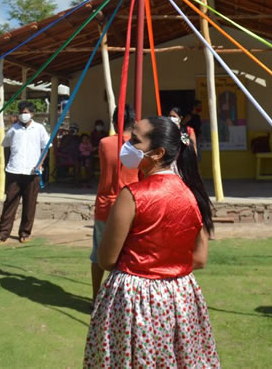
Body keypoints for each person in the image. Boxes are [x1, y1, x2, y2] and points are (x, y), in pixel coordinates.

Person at [84, 115, 219, 367]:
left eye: (134, 141)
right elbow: (199, 259)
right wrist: (168, 266)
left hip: (135, 298)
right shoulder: (194, 194)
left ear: (157, 153)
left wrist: (145, 265)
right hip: (181, 296)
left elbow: (106, 259)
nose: (127, 145)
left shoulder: (132, 195)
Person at [89, 105, 139, 301]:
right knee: (128, 254)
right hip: (131, 206)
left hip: (105, 205)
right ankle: (121, 299)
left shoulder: (104, 143)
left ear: (113, 122)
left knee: (99, 255)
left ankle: (95, 298)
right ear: (134, 122)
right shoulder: (139, 146)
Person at [0, 102, 50, 245]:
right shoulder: (14, 129)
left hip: (32, 172)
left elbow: (46, 147)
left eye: (26, 112)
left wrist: (40, 162)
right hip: (14, 171)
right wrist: (7, 165)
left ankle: (25, 233)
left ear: (32, 114)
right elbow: (6, 146)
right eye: (21, 112)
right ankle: (2, 234)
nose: (23, 115)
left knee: (29, 204)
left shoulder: (39, 129)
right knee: (10, 203)